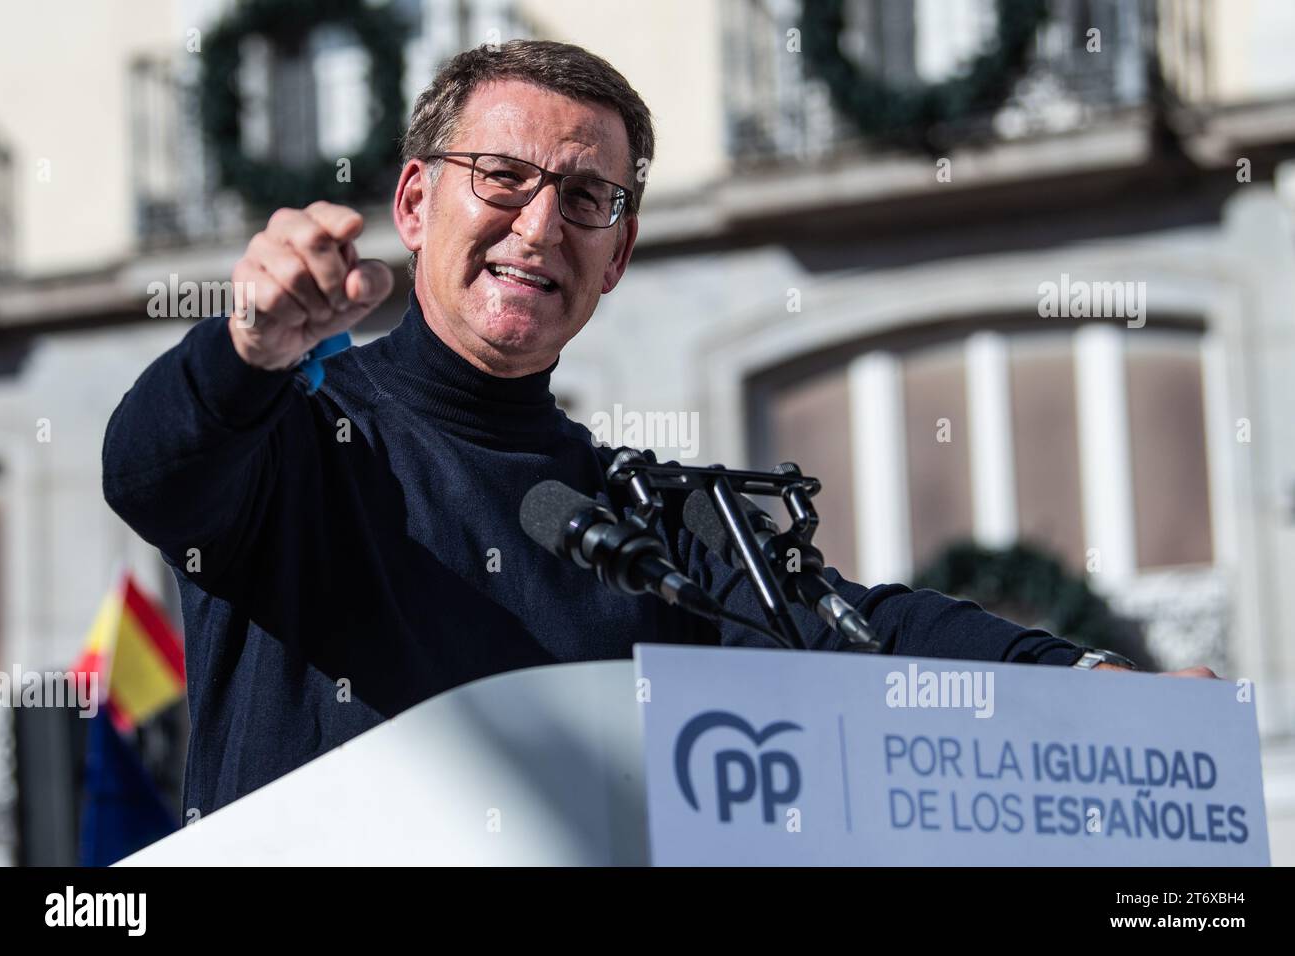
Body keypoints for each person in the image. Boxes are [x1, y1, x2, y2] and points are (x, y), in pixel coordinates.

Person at [102, 40, 1214, 818]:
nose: (539, 225)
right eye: (501, 176)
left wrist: (1085, 679)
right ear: (412, 205)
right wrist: (245, 344)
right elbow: (151, 464)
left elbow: (860, 632)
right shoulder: (295, 446)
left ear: (618, 257)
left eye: (588, 198)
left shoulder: (643, 524)